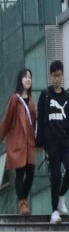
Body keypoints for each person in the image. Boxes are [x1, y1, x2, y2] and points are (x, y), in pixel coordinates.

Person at [0, 67, 38, 215]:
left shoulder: (32, 102)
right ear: (20, 80)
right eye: (25, 77)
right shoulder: (15, 99)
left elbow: (35, 124)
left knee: (30, 173)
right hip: (18, 142)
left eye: (30, 77)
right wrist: (0, 137)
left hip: (29, 143)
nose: (28, 79)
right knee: (20, 173)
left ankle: (23, 199)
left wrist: (39, 142)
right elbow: (7, 118)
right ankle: (23, 203)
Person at [38, 60, 69, 222]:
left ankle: (61, 195)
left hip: (65, 142)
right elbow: (41, 121)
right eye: (54, 76)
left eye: (59, 75)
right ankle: (54, 211)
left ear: (62, 75)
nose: (56, 79)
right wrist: (40, 143)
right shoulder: (45, 95)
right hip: (51, 143)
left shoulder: (67, 96)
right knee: (56, 176)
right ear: (50, 76)